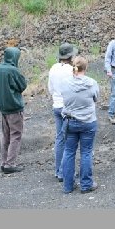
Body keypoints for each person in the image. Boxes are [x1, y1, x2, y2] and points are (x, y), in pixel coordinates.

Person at [60, 56, 100, 194]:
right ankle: (86, 184)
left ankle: (68, 186)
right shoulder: (92, 83)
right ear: (86, 68)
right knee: (86, 152)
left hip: (70, 122)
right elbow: (96, 98)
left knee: (69, 152)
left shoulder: (64, 83)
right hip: (88, 122)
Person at [0, 46, 28, 174]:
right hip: (14, 107)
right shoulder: (13, 70)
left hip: (3, 108)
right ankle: (10, 164)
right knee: (16, 135)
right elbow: (22, 85)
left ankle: (4, 162)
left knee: (6, 135)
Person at [47, 42, 78, 182]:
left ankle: (58, 169)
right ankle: (64, 172)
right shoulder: (71, 70)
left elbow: (51, 89)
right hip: (68, 108)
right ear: (70, 56)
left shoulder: (53, 68)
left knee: (60, 138)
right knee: (70, 140)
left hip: (56, 105)